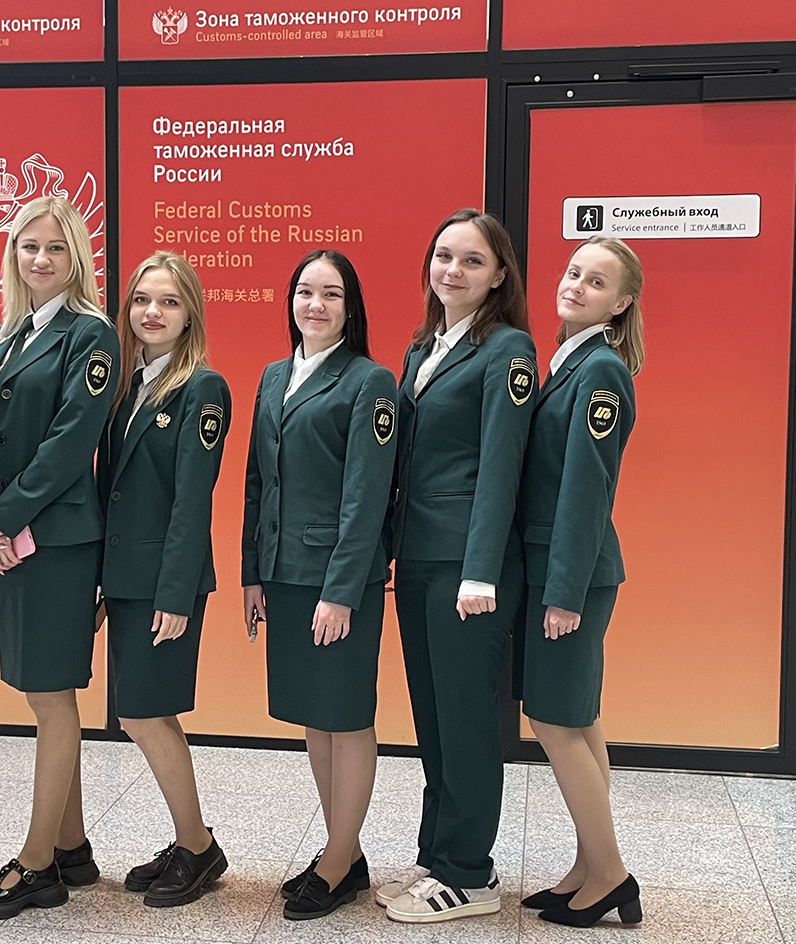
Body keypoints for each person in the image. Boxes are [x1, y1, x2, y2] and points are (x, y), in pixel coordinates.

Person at [0, 196, 118, 919]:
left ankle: (37, 864)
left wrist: (4, 515)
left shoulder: (91, 335)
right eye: (28, 246)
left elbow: (68, 444)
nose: (40, 259)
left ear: (75, 256)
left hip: (56, 543)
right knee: (42, 692)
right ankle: (72, 845)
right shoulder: (12, 333)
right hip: (11, 535)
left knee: (52, 700)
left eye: (55, 247)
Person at [383, 209, 537, 923]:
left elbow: (502, 465)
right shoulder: (423, 348)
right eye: (444, 256)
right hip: (418, 556)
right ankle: (437, 854)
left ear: (500, 275)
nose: (453, 270)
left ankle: (469, 872)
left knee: (466, 718)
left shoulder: (508, 350)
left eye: (473, 261)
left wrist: (481, 571)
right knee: (434, 715)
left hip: (468, 567)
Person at [242, 250, 397, 921]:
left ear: (350, 307)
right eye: (306, 291)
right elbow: (257, 482)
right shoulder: (274, 375)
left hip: (338, 580)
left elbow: (367, 497)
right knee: (315, 715)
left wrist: (341, 590)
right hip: (283, 573)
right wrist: (252, 572)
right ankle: (346, 851)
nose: (316, 304)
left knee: (346, 715)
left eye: (331, 294)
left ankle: (335, 861)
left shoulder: (370, 382)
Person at [96, 250, 232, 908]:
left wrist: (175, 593)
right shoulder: (126, 386)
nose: (153, 312)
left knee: (145, 714)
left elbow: (191, 500)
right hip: (123, 577)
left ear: (190, 315)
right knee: (142, 713)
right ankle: (191, 842)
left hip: (162, 582)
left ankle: (198, 847)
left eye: (169, 302)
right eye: (143, 300)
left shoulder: (202, 389)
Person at [517, 236, 644, 928]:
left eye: (597, 282)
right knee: (577, 718)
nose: (577, 286)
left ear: (620, 304)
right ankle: (590, 866)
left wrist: (563, 592)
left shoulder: (600, 372)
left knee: (555, 720)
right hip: (560, 568)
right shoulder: (568, 361)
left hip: (573, 576)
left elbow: (587, 492)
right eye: (573, 273)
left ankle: (613, 875)